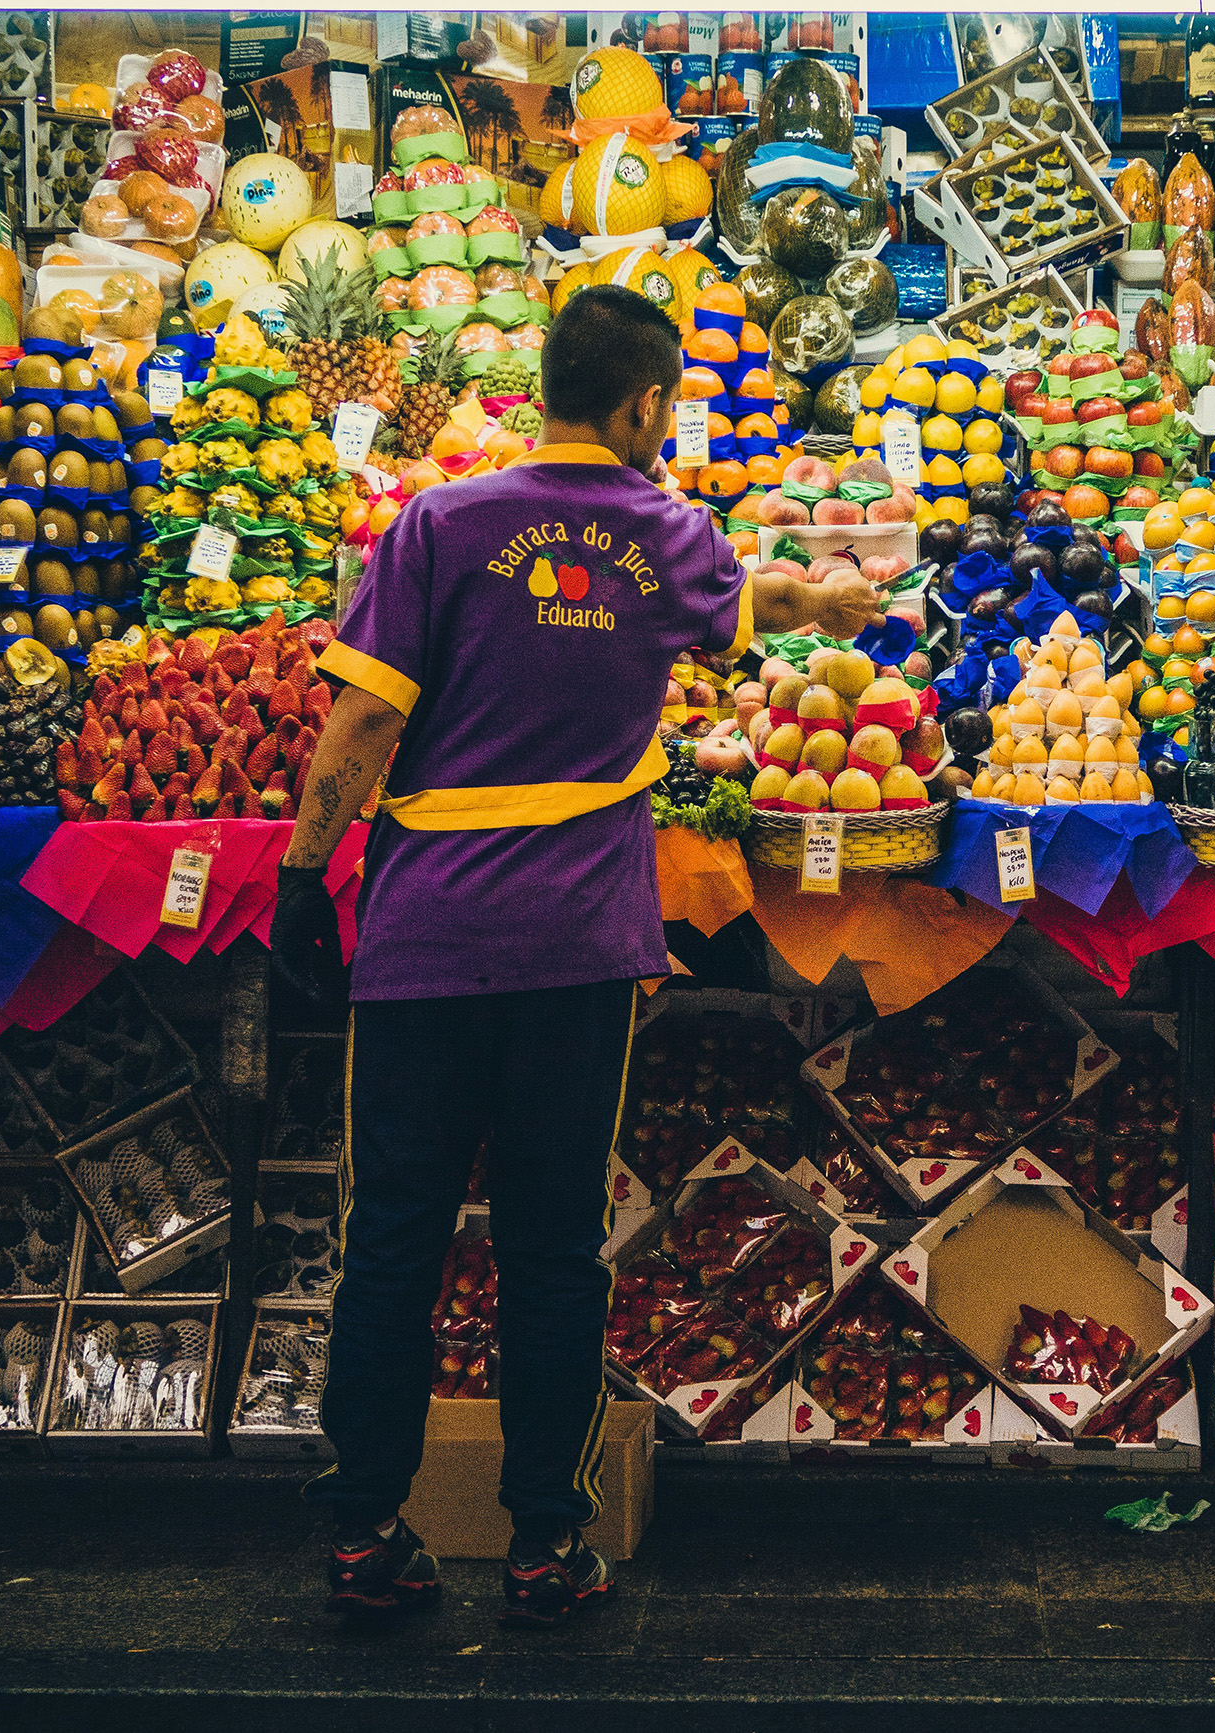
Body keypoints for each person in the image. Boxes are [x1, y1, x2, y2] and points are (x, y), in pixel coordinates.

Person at [272, 286, 883, 1626]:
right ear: (645, 404)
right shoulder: (670, 537)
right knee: (557, 1248)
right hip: (576, 951)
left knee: (392, 1241)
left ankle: (368, 1530)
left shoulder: (437, 523)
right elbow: (758, 613)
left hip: (425, 938)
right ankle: (547, 1540)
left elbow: (359, 728)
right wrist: (834, 597)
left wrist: (303, 880)